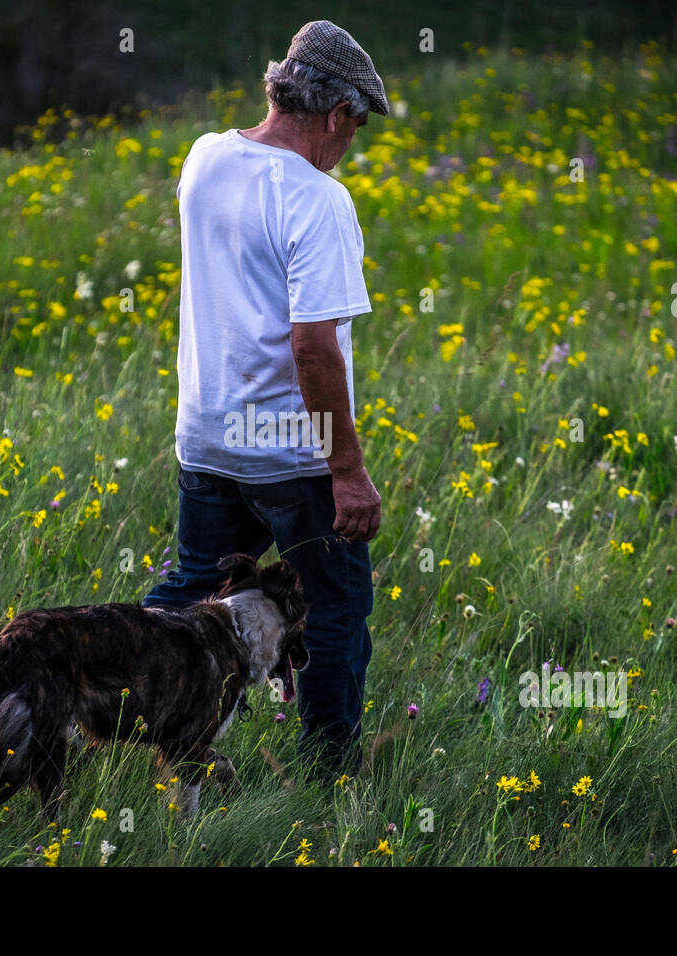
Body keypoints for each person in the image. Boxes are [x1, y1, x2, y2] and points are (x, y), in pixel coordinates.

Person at [141, 20, 388, 784]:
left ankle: (114, 692)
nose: (353, 142)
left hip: (210, 436)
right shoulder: (318, 200)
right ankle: (328, 777)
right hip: (289, 450)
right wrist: (347, 470)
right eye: (359, 125)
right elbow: (312, 347)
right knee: (335, 607)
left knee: (189, 591)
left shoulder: (206, 157)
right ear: (338, 112)